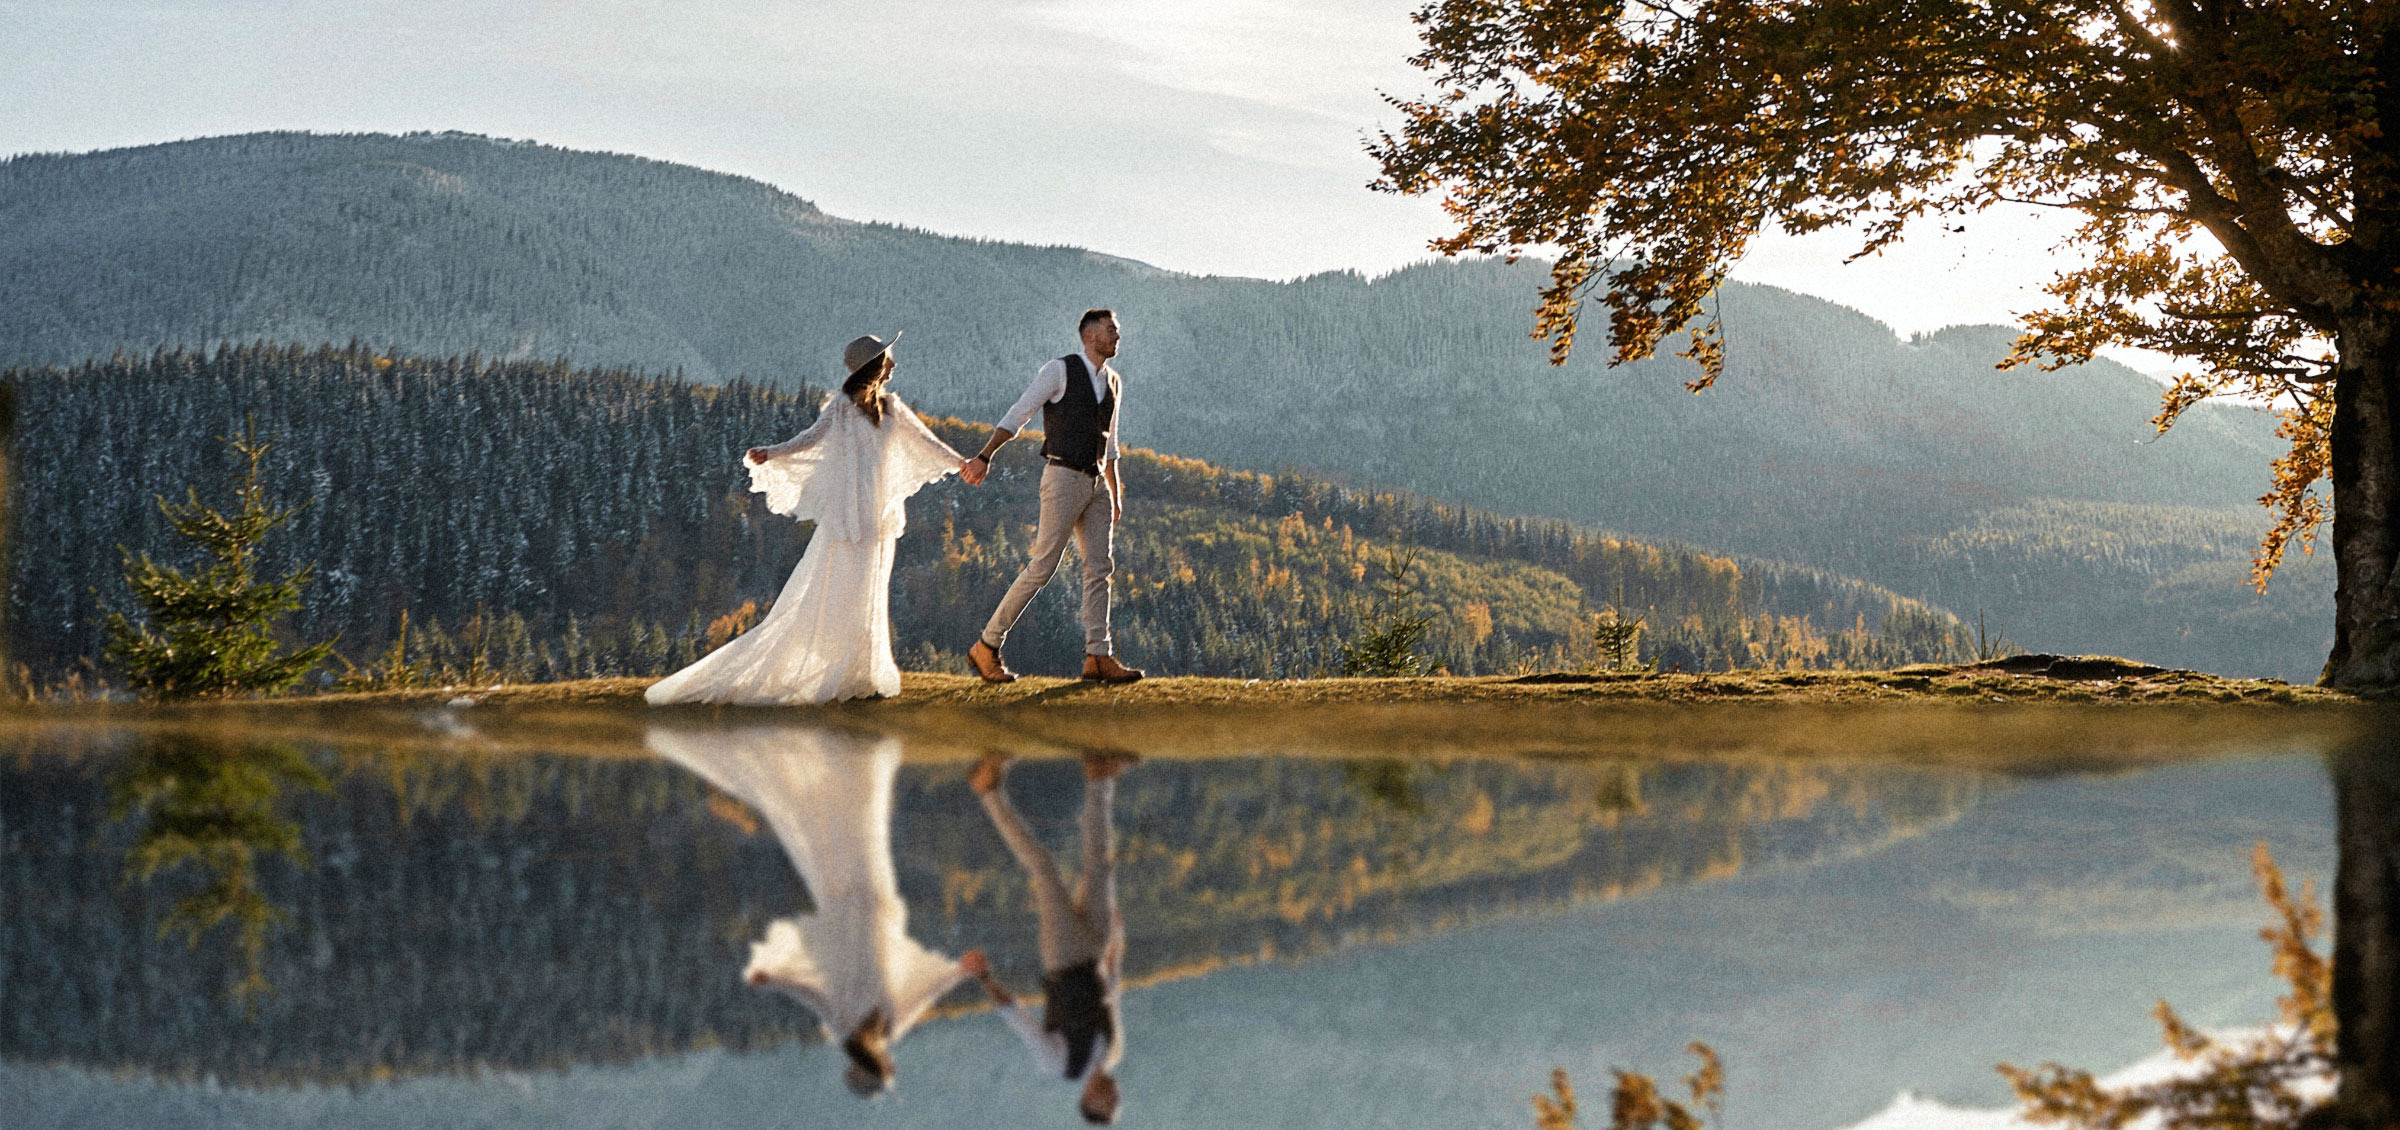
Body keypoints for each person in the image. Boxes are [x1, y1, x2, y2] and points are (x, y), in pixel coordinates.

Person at [645, 723, 978, 1096]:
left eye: (876, 1067)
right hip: (877, 913)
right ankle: (859, 758)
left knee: (831, 838)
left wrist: (776, 980)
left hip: (842, 913)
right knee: (867, 836)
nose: (886, 1061)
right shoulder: (893, 1023)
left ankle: (832, 762)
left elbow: (814, 995)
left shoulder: (842, 1026)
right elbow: (925, 990)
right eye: (883, 1066)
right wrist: (961, 972)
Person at [646, 333, 962, 705]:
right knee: (847, 592)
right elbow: (811, 439)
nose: (893, 365)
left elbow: (926, 441)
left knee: (872, 592)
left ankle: (865, 676)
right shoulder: (842, 407)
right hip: (849, 515)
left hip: (878, 514)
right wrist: (773, 453)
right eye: (887, 359)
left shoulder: (892, 407)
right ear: (872, 366)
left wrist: (961, 463)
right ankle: (847, 674)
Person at [957, 310, 1145, 684]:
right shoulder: (1058, 371)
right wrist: (984, 456)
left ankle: (1098, 657)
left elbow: (1111, 442)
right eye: (1111, 331)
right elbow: (1019, 414)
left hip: (1097, 484)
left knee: (1099, 569)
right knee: (1042, 567)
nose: (1117, 338)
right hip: (1062, 478)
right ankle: (986, 646)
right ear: (1090, 336)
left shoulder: (1114, 381)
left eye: (1117, 332)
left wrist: (1115, 489)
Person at [963, 750, 1135, 1124]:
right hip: (1096, 950)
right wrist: (1116, 946)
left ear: (1089, 1101)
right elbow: (1111, 994)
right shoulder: (1115, 1051)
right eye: (1117, 1104)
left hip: (1063, 957)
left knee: (1043, 869)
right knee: (1102, 864)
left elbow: (1019, 1020)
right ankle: (1099, 776)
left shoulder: (1061, 1066)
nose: (1116, 1098)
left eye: (1109, 1106)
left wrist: (985, 978)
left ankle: (987, 789)